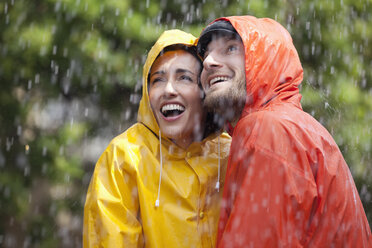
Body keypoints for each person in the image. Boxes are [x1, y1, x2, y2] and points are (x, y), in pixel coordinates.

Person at [197, 16, 372, 247]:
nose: (208, 61)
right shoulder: (296, 125)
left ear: (264, 60)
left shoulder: (266, 129)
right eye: (206, 55)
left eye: (230, 48)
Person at [83, 29, 231, 247]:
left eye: (184, 78)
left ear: (204, 91)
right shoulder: (125, 157)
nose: (168, 89)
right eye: (158, 80)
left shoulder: (231, 153)